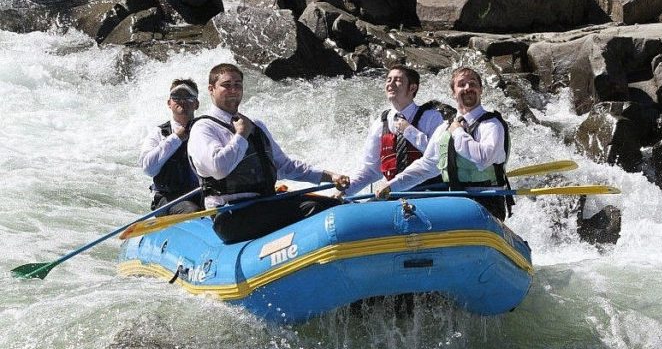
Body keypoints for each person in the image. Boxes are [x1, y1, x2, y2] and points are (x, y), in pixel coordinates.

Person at [187, 63, 350, 243]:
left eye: (238, 84)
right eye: (226, 85)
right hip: (231, 215)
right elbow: (219, 168)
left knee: (333, 205)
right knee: (313, 208)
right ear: (211, 89)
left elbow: (285, 166)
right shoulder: (203, 128)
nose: (233, 90)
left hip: (264, 204)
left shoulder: (255, 125)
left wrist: (330, 176)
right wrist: (241, 135)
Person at [375, 67, 513, 221]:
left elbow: (483, 159)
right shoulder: (444, 129)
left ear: (481, 90)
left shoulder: (491, 124)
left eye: (472, 84)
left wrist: (458, 132)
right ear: (453, 93)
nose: (468, 88)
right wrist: (392, 185)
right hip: (456, 201)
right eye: (461, 84)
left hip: (488, 203)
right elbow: (426, 166)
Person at [345, 65, 447, 195]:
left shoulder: (431, 116)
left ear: (412, 88)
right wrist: (345, 191)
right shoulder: (380, 123)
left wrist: (410, 131)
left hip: (430, 191)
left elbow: (438, 157)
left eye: (397, 80)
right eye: (388, 80)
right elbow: (370, 170)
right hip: (392, 193)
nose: (390, 84)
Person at [139, 78, 203, 215]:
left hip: (202, 194)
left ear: (196, 104)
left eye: (188, 97)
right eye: (176, 97)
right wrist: (176, 138)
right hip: (168, 199)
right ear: (169, 103)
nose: (182, 101)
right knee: (191, 210)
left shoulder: (207, 130)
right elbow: (148, 168)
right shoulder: (159, 133)